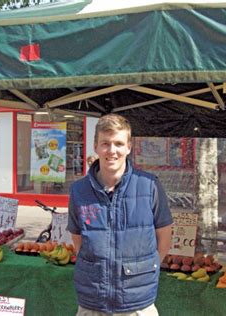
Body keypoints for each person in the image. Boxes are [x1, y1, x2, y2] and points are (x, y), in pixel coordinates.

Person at [67, 114, 173, 315]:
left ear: (129, 147)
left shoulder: (149, 185)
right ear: (96, 146)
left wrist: (146, 271)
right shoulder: (79, 190)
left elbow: (165, 238)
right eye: (105, 143)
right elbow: (78, 240)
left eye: (118, 143)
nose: (112, 150)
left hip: (137, 303)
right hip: (92, 301)